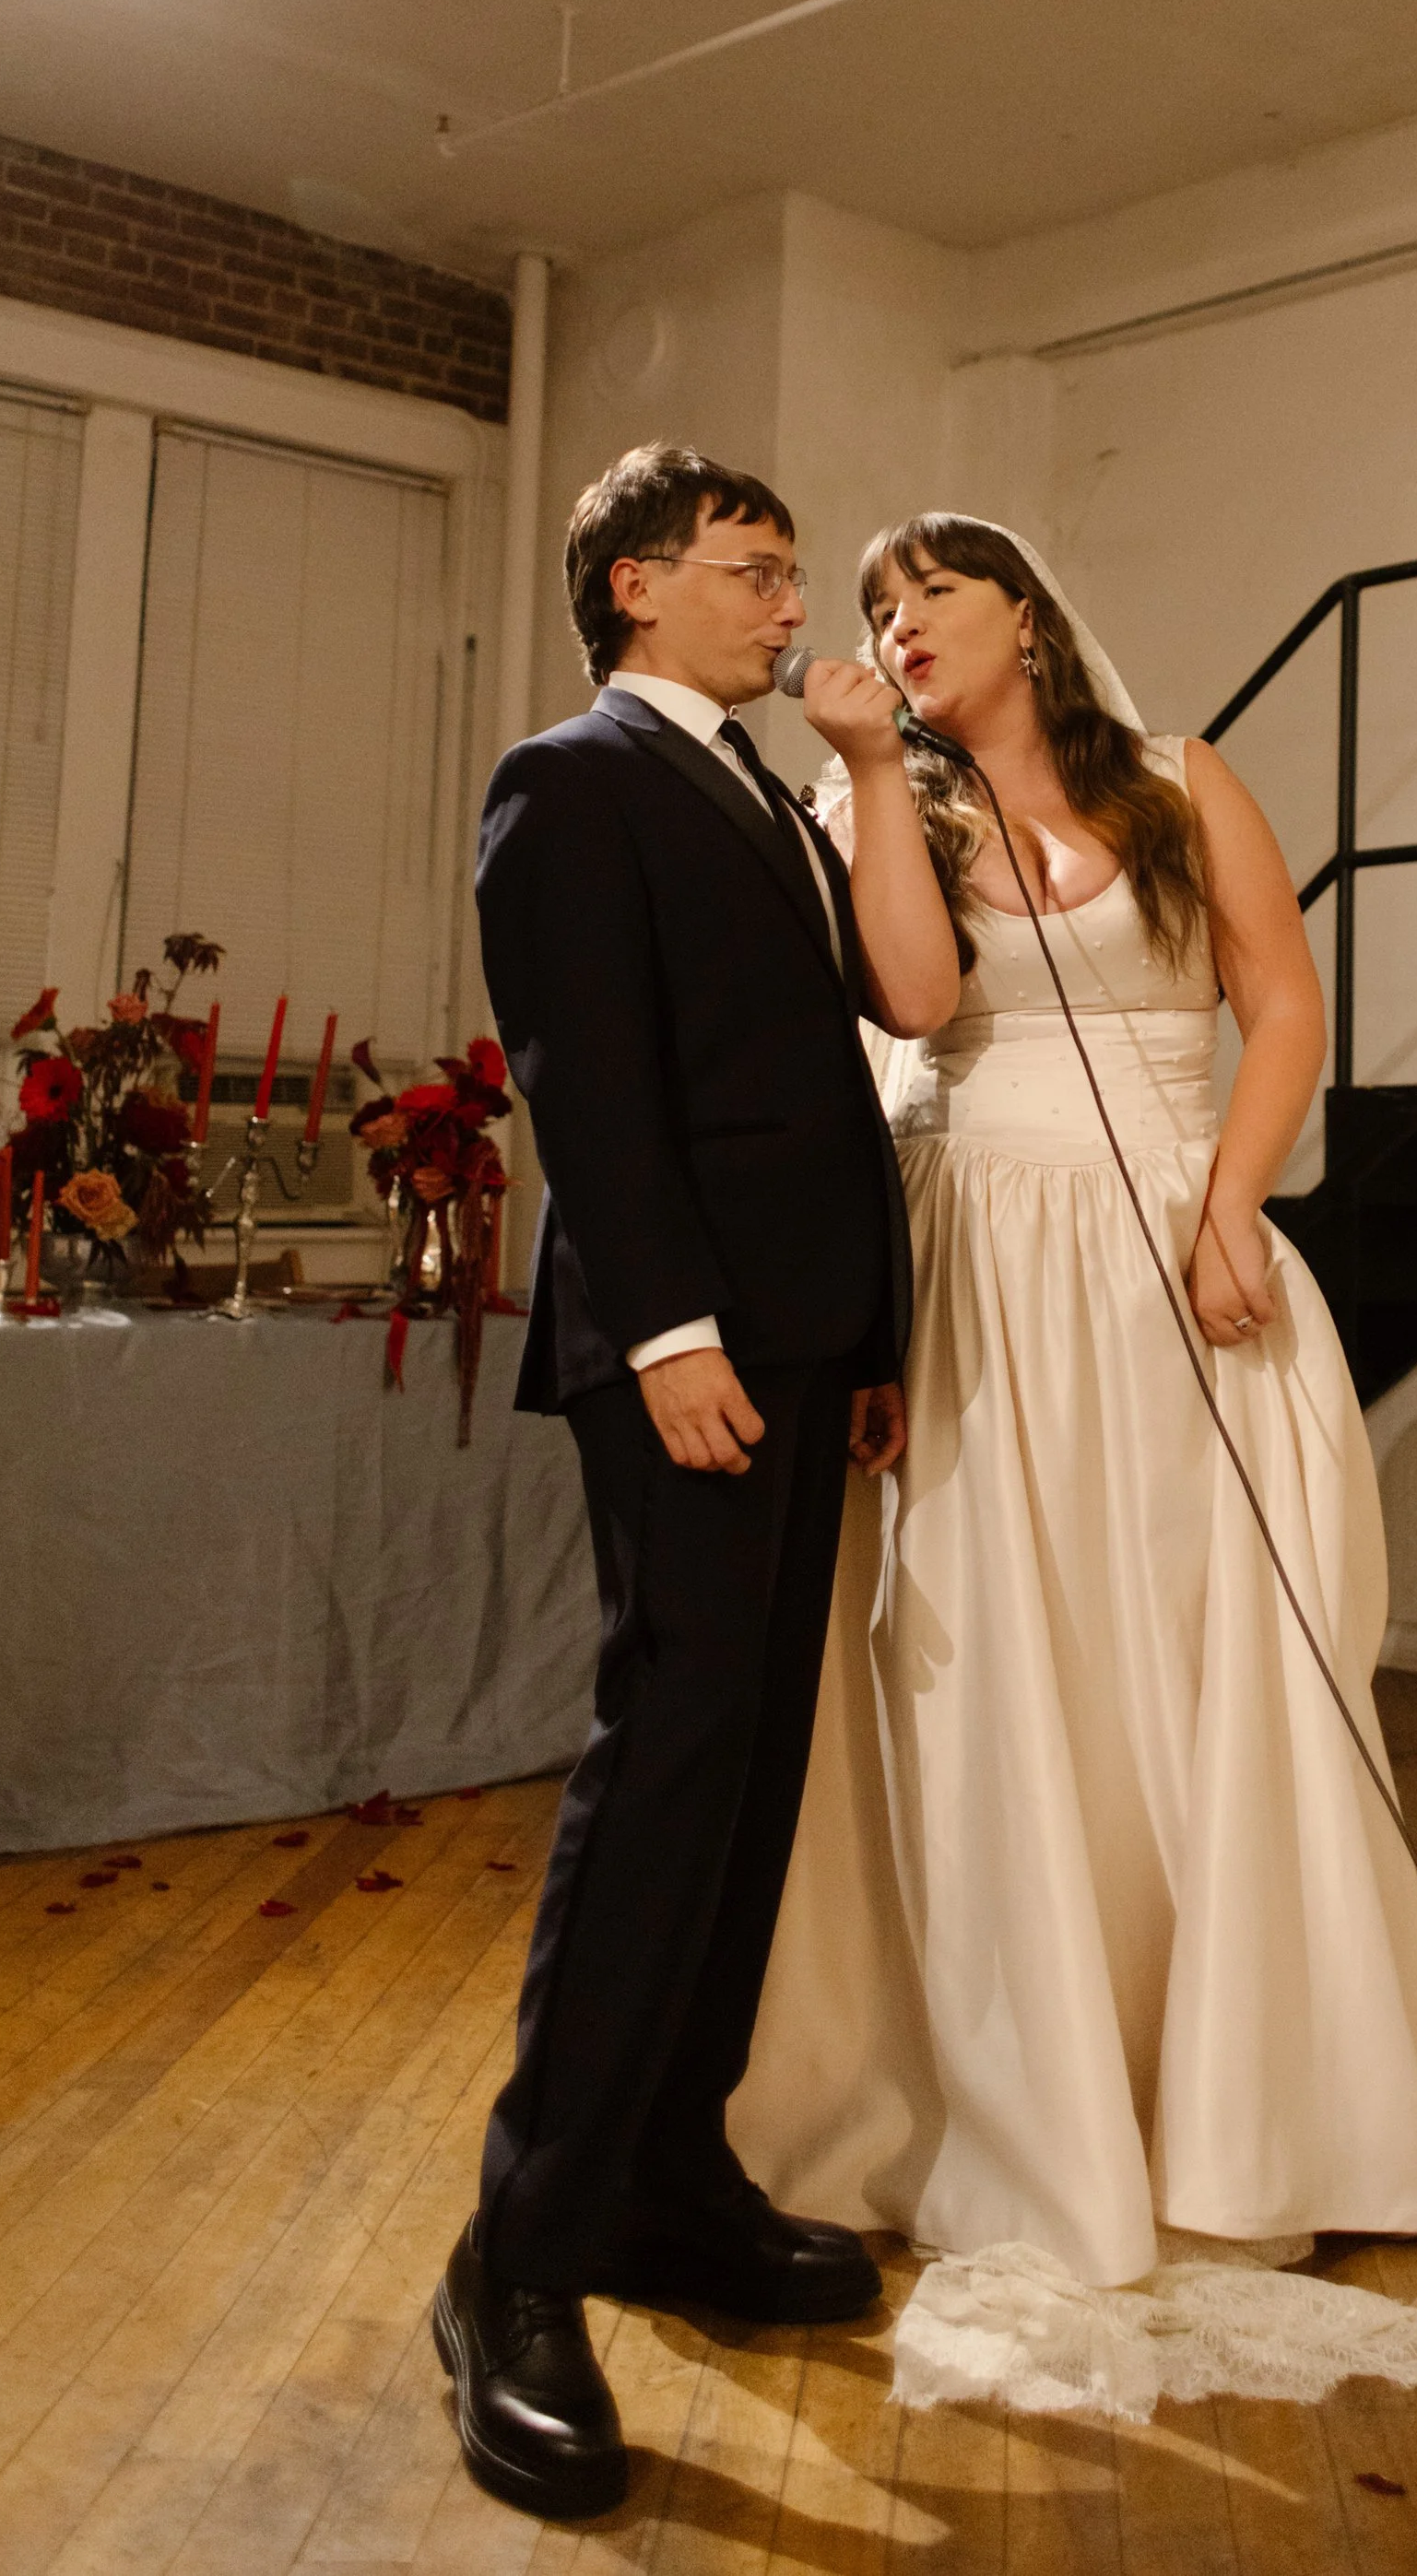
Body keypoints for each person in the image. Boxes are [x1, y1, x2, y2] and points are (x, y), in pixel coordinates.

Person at [729, 513, 1417, 2382]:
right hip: (977, 1262)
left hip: (1173, 1247)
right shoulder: (879, 807)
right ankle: (1035, 2098)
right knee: (1005, 1685)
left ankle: (1241, 2101)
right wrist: (864, 778)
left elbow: (1279, 1002)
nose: (897, 630)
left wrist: (1233, 1199)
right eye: (878, 611)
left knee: (1202, 1673)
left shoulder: (1177, 782)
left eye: (932, 598)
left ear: (1027, 611)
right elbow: (907, 1005)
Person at [432, 443, 959, 2522]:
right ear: (639, 587)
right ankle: (521, 2256)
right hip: (693, 1358)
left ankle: (667, 2181)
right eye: (750, 573)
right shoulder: (568, 780)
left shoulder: (759, 783)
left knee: (747, 1782)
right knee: (665, 1767)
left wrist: (871, 1341)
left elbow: (847, 1065)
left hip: (803, 1343)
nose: (788, 605)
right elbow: (592, 1077)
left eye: (783, 573)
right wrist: (666, 1336)